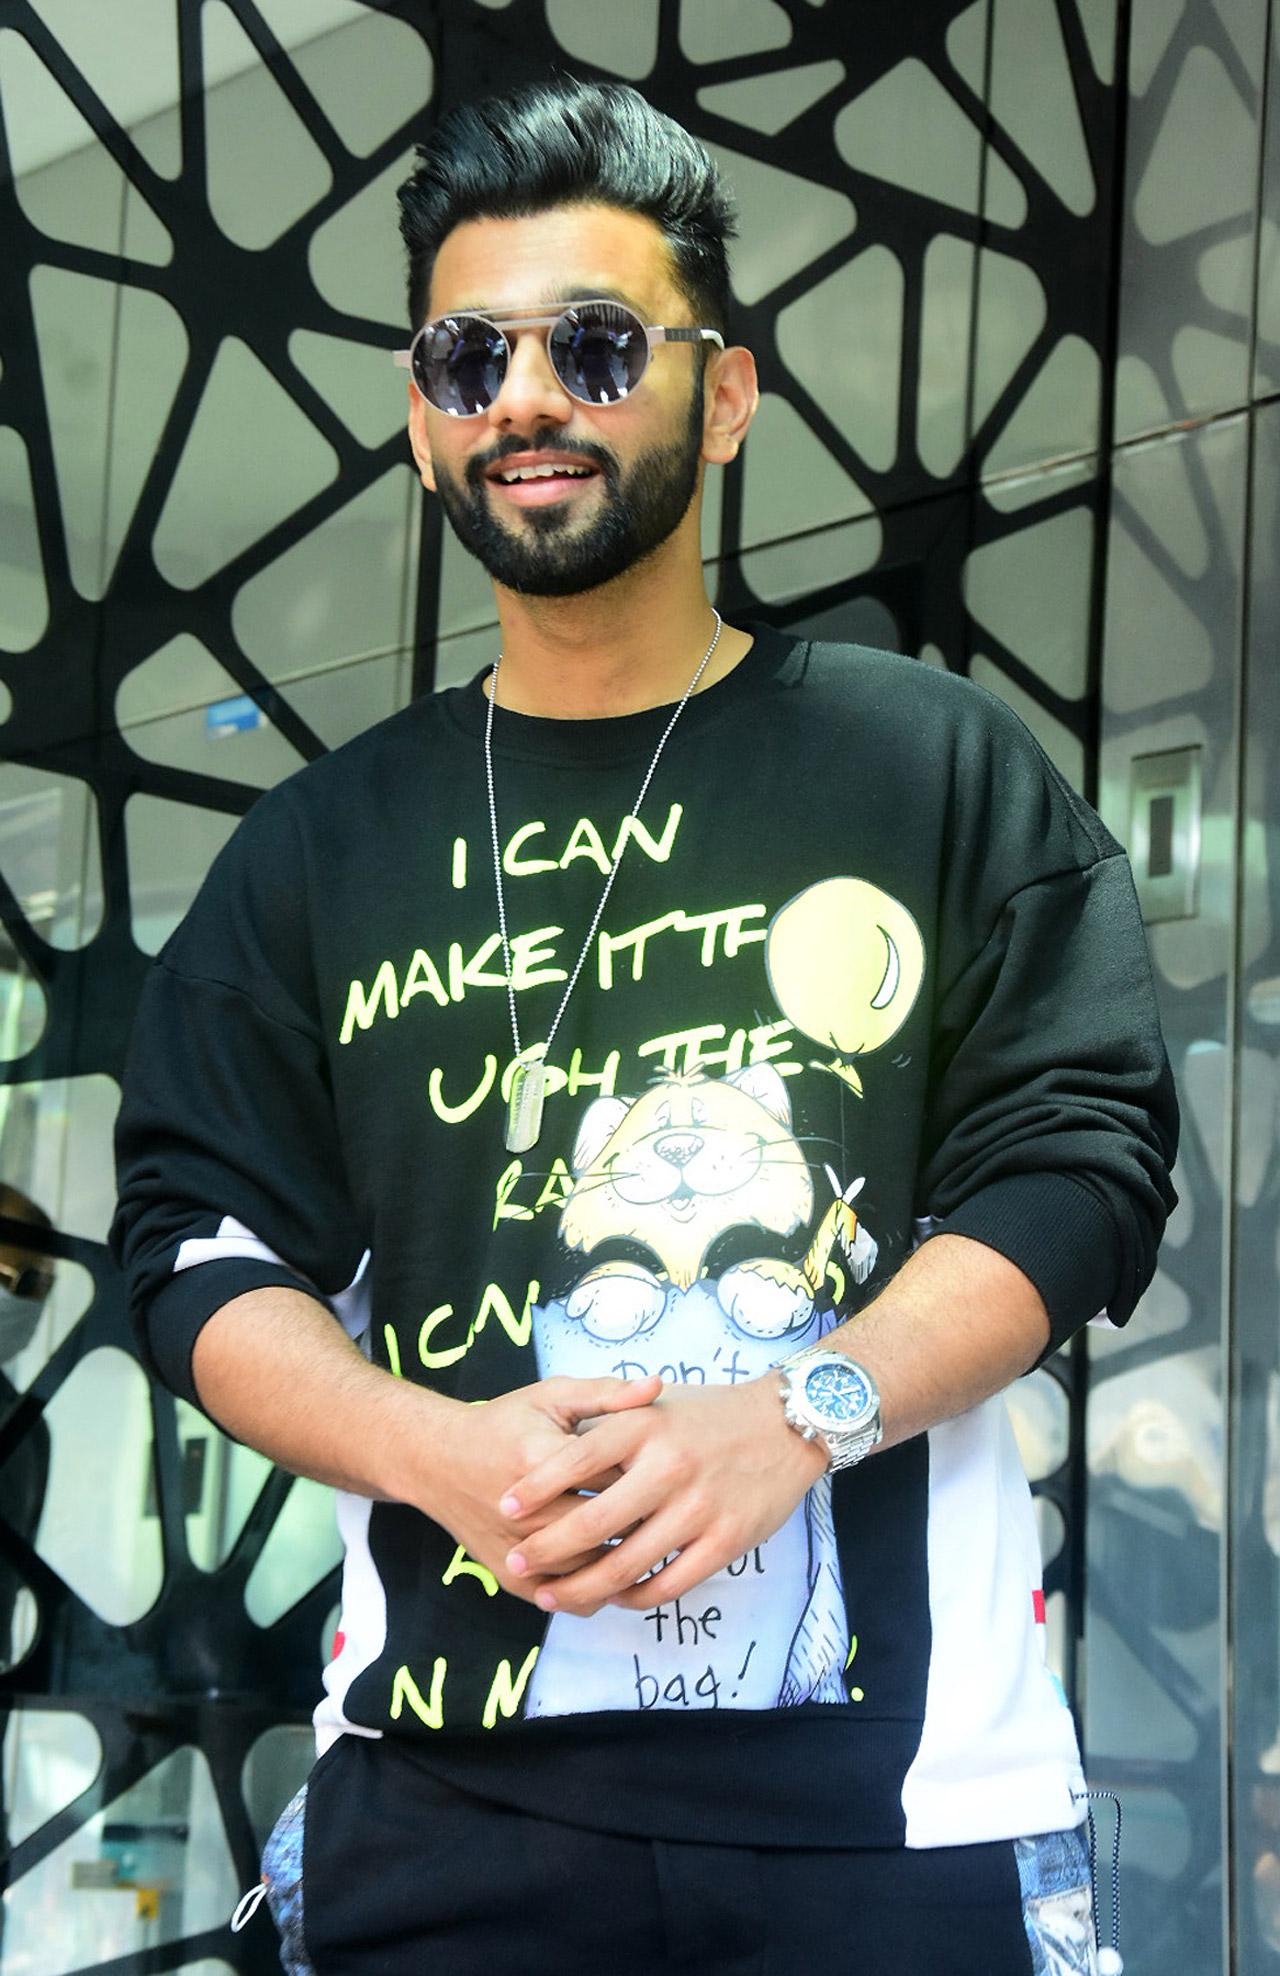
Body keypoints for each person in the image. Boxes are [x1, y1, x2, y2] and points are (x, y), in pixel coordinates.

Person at [111, 77, 1175, 1976]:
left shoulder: (927, 766)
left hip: (898, 1822)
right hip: (441, 1815)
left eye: (595, 347)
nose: (525, 397)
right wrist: (430, 1450)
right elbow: (200, 1254)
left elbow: (1081, 1165)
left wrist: (796, 1413)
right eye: (468, 356)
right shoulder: (315, 852)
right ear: (423, 418)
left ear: (729, 396)